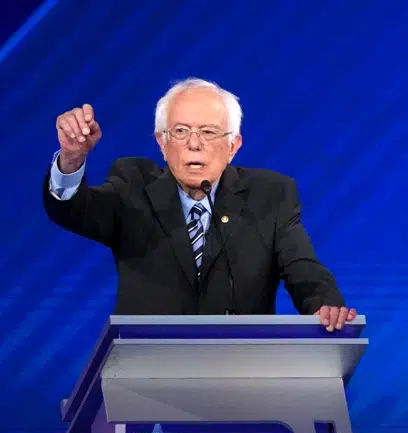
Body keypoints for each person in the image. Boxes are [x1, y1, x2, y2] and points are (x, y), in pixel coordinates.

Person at [44, 77, 356, 328]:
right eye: (180, 131)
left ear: (233, 146)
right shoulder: (133, 185)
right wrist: (72, 159)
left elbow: (303, 268)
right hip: (147, 371)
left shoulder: (270, 196)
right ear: (162, 143)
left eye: (209, 132)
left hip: (241, 372)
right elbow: (75, 210)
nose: (194, 144)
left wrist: (325, 306)